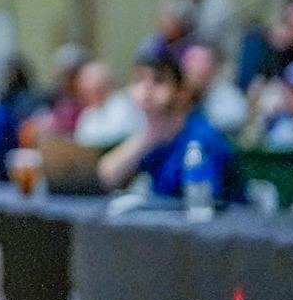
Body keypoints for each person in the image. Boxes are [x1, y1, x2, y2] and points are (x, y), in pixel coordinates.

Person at [99, 50, 243, 204]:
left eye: (159, 80)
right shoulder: (153, 138)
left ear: (182, 92)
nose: (147, 87)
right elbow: (108, 178)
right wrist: (147, 139)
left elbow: (202, 203)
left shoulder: (200, 140)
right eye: (139, 79)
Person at [182, 42, 250, 137]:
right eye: (189, 73)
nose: (193, 79)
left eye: (199, 74)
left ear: (213, 70)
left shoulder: (229, 97)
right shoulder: (178, 95)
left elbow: (236, 117)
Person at [72, 59, 144, 148]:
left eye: (87, 80)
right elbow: (80, 140)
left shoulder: (123, 104)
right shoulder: (88, 114)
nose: (81, 87)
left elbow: (118, 134)